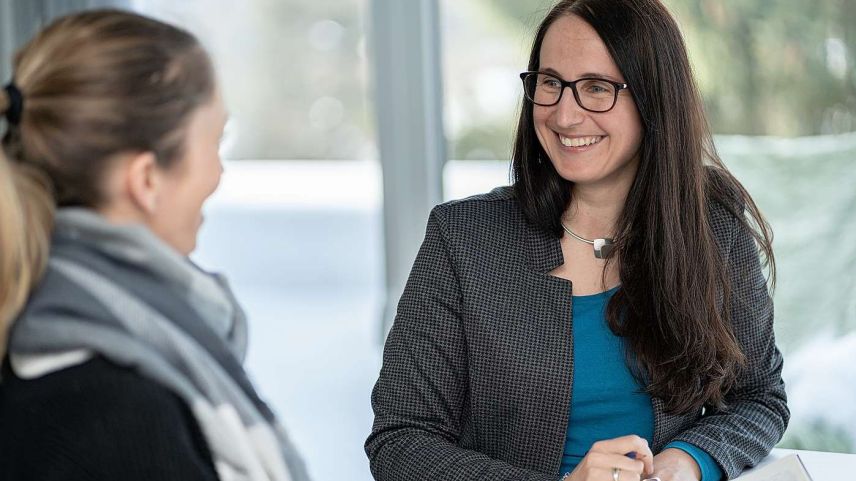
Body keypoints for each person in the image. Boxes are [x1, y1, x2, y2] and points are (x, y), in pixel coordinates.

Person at [365, 1, 788, 480]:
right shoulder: (463, 237)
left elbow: (759, 396)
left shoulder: (713, 223)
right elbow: (401, 440)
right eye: (550, 83)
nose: (565, 116)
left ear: (654, 98)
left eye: (596, 88)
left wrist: (688, 460)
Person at [0, 10, 309, 481]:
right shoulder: (125, 417)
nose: (219, 172)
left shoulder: (34, 337)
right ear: (146, 179)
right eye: (215, 141)